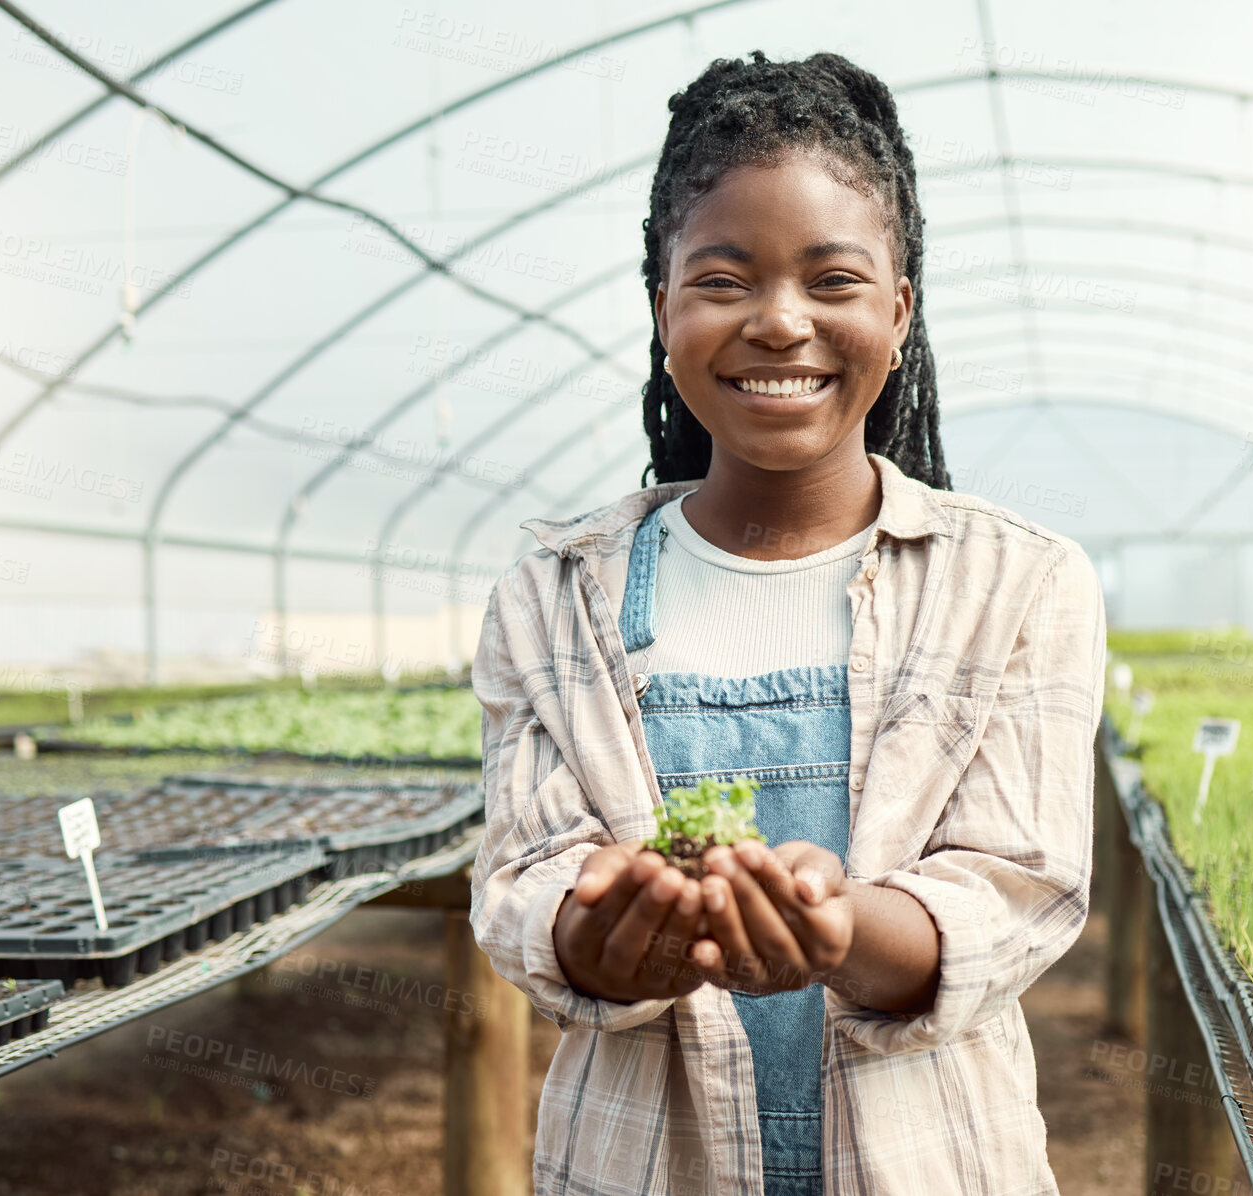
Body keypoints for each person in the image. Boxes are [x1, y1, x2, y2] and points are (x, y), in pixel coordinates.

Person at [470, 49, 1107, 1196]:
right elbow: (523, 871)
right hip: (640, 1159)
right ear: (662, 305)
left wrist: (847, 929)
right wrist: (603, 932)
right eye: (722, 279)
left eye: (831, 280)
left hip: (934, 1157)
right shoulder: (554, 592)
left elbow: (1021, 887)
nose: (777, 323)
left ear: (898, 311)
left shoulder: (1019, 583)